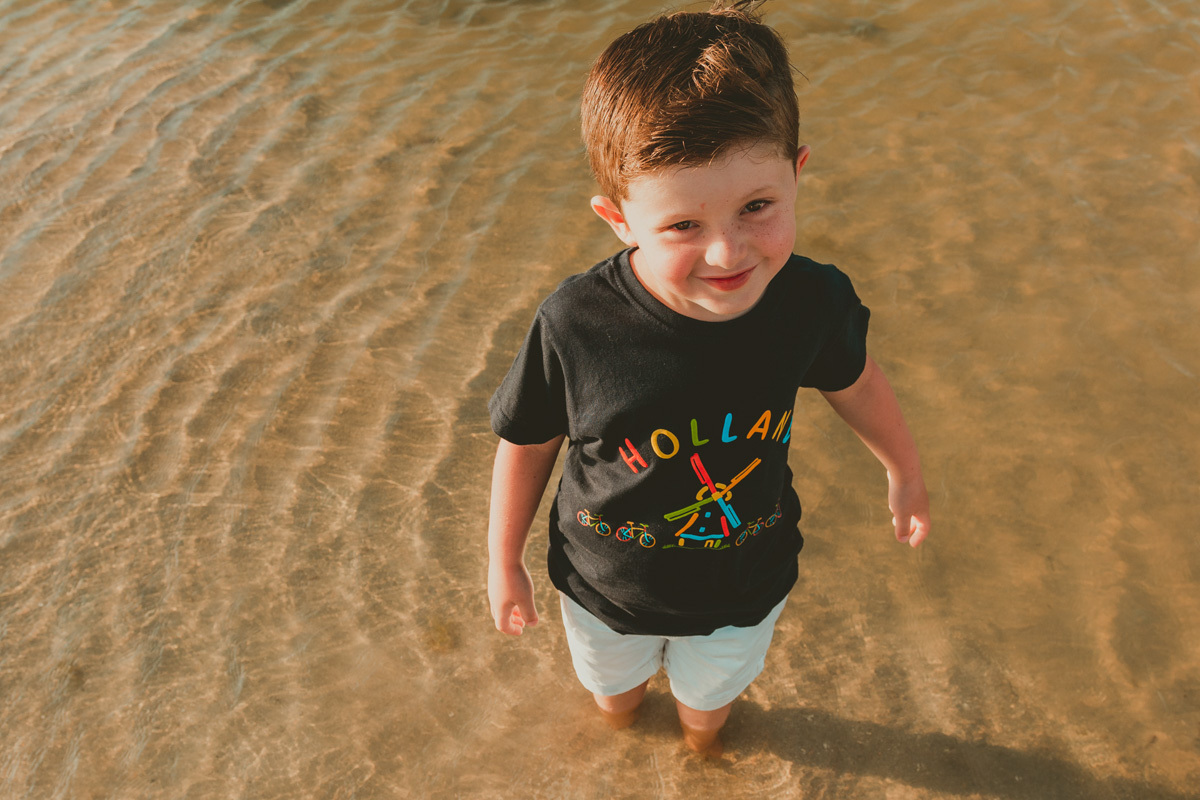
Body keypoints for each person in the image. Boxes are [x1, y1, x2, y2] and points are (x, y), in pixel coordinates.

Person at [486, 0, 930, 758]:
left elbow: (855, 382)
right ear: (619, 218)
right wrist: (505, 562)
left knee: (709, 709)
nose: (728, 253)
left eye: (757, 207)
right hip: (602, 588)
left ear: (797, 174)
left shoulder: (811, 303)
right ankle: (624, 746)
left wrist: (905, 472)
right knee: (615, 699)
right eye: (683, 226)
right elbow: (528, 443)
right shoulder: (577, 324)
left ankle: (702, 759)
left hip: (746, 583)